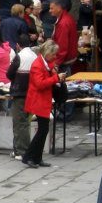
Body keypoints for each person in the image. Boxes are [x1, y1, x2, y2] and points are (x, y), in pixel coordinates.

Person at [23, 39, 64, 169]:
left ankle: (37, 158)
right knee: (42, 130)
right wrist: (56, 78)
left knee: (43, 130)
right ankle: (28, 156)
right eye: (53, 54)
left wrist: (54, 72)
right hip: (38, 100)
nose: (55, 57)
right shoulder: (37, 65)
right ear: (47, 53)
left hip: (43, 100)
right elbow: (40, 84)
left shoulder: (46, 63)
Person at [5, 42, 37, 160]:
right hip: (31, 93)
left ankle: (21, 151)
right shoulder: (34, 56)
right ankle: (22, 149)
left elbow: (9, 74)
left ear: (18, 45)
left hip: (19, 93)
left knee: (20, 123)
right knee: (26, 122)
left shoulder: (19, 56)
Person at [49, 0, 77, 74]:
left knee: (64, 84)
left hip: (64, 62)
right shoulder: (67, 18)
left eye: (52, 8)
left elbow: (62, 46)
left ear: (59, 8)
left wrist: (56, 63)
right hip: (68, 59)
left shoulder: (63, 23)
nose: (50, 11)